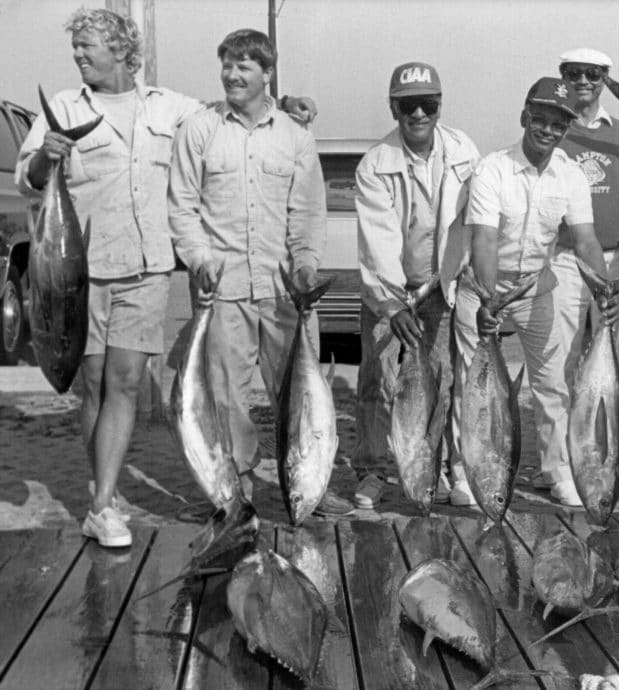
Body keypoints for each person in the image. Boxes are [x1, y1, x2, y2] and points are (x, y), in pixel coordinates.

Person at [14, 10, 317, 548]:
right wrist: (46, 158)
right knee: (92, 384)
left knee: (125, 383)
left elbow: (237, 113)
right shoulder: (61, 108)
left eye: (89, 47)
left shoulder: (171, 108)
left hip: (146, 268)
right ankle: (100, 491)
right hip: (77, 273)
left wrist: (288, 105)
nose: (80, 56)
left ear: (125, 50)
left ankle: (103, 502)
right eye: (76, 48)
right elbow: (28, 180)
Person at [168, 28, 350, 520]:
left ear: (267, 74)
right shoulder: (198, 129)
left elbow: (308, 215)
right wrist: (199, 258)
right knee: (227, 399)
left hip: (283, 292)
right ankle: (237, 489)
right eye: (226, 64)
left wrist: (307, 266)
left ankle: (310, 480)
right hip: (221, 293)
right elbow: (183, 209)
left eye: (244, 66)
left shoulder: (296, 135)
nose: (232, 74)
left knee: (300, 396)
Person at [453, 77, 619, 507]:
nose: (547, 130)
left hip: (536, 287)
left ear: (566, 129)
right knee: (470, 386)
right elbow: (484, 241)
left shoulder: (571, 173)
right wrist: (489, 301)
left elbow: (584, 239)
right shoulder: (492, 168)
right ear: (525, 117)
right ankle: (464, 471)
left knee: (553, 385)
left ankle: (557, 471)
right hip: (484, 287)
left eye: (557, 125)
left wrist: (603, 290)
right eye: (540, 120)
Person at [353, 61, 480, 509]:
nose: (419, 114)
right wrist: (392, 303)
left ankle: (437, 468)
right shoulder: (375, 164)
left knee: (441, 382)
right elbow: (378, 238)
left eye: (428, 104)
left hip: (439, 290)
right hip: (390, 294)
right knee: (377, 384)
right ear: (394, 108)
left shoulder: (464, 150)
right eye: (409, 105)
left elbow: (471, 220)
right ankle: (373, 471)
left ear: (440, 106)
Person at [547, 47, 619, 495]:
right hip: (565, 259)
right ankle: (557, 465)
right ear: (563, 77)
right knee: (561, 363)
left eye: (593, 74)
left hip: (615, 260)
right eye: (574, 73)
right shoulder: (553, 128)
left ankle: (618, 460)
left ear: (606, 78)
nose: (583, 81)